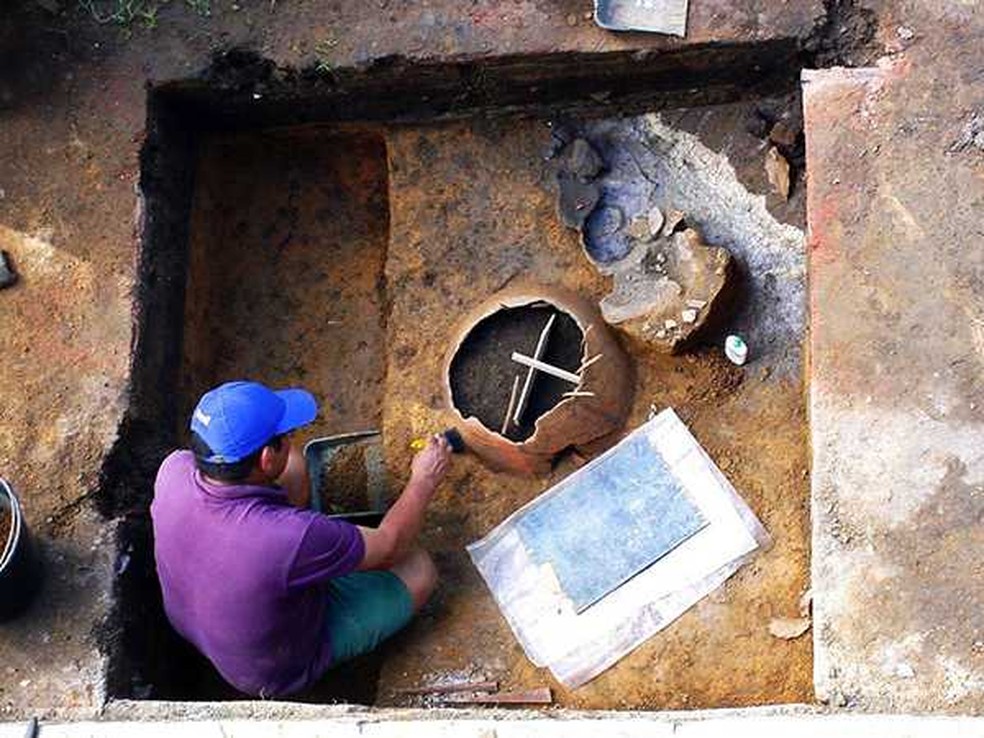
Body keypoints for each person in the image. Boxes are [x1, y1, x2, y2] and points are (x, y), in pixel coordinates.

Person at [150, 380, 452, 698]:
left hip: (194, 624)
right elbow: (389, 547)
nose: (290, 438)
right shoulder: (290, 536)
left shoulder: (173, 469)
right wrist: (424, 481)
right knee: (419, 568)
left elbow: (283, 478)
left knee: (293, 465)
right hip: (273, 670)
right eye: (284, 436)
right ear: (266, 458)